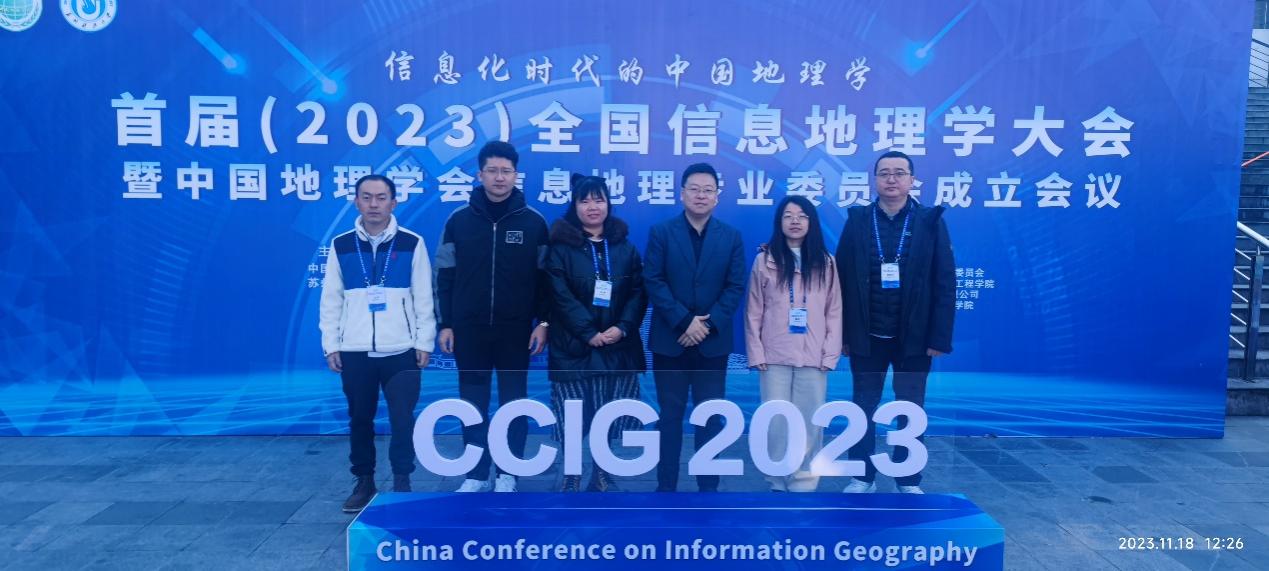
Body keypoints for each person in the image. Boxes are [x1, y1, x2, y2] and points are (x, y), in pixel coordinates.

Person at [835, 150, 956, 494]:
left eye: (899, 173)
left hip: (914, 338)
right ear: (874, 180)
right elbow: (840, 279)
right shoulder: (858, 220)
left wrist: (938, 337)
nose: (891, 179)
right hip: (867, 335)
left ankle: (908, 478)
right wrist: (843, 335)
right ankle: (862, 475)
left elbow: (945, 281)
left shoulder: (930, 221)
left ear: (911, 180)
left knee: (911, 407)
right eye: (884, 173)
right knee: (863, 404)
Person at [434, 141, 551, 493]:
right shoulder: (458, 221)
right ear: (480, 174)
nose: (500, 177)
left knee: (514, 401)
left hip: (516, 331)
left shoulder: (533, 222)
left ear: (516, 175)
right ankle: (475, 472)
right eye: (492, 170)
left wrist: (543, 322)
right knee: (472, 403)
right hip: (468, 330)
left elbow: (546, 279)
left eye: (506, 171)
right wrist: (446, 323)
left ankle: (508, 472)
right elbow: (444, 275)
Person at [319, 174, 435, 512]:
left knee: (402, 419)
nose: (374, 204)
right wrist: (332, 344)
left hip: (401, 350)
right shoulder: (341, 244)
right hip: (354, 350)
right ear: (356, 202)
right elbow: (331, 300)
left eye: (381, 197)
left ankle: (402, 480)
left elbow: (424, 297)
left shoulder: (412, 242)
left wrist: (424, 342)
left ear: (393, 202)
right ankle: (364, 481)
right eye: (367, 197)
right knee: (360, 419)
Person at [644, 162, 747, 492]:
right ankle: (666, 487)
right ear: (682, 193)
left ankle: (708, 488)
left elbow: (735, 287)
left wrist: (707, 324)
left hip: (712, 344)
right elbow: (654, 280)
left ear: (717, 196)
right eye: (694, 189)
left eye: (708, 190)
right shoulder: (662, 232)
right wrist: (684, 321)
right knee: (669, 416)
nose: (701, 195)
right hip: (670, 341)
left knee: (710, 417)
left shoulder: (731, 237)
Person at [545, 174, 648, 492]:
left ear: (608, 204)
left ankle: (602, 473)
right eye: (585, 200)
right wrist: (588, 332)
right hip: (573, 346)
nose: (593, 207)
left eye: (599, 199)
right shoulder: (559, 248)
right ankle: (571, 474)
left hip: (616, 346)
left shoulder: (625, 247)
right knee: (572, 415)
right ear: (574, 205)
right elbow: (558, 295)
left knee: (609, 412)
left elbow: (638, 292)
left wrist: (623, 327)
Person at [744, 195, 842, 492]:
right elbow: (753, 310)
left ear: (811, 222)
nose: (795, 221)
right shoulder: (765, 260)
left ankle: (803, 478)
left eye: (802, 216)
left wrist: (830, 353)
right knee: (775, 419)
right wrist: (756, 352)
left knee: (810, 419)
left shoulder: (826, 262)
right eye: (788, 216)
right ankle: (776, 476)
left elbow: (834, 310)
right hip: (773, 354)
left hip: (814, 355)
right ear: (780, 222)